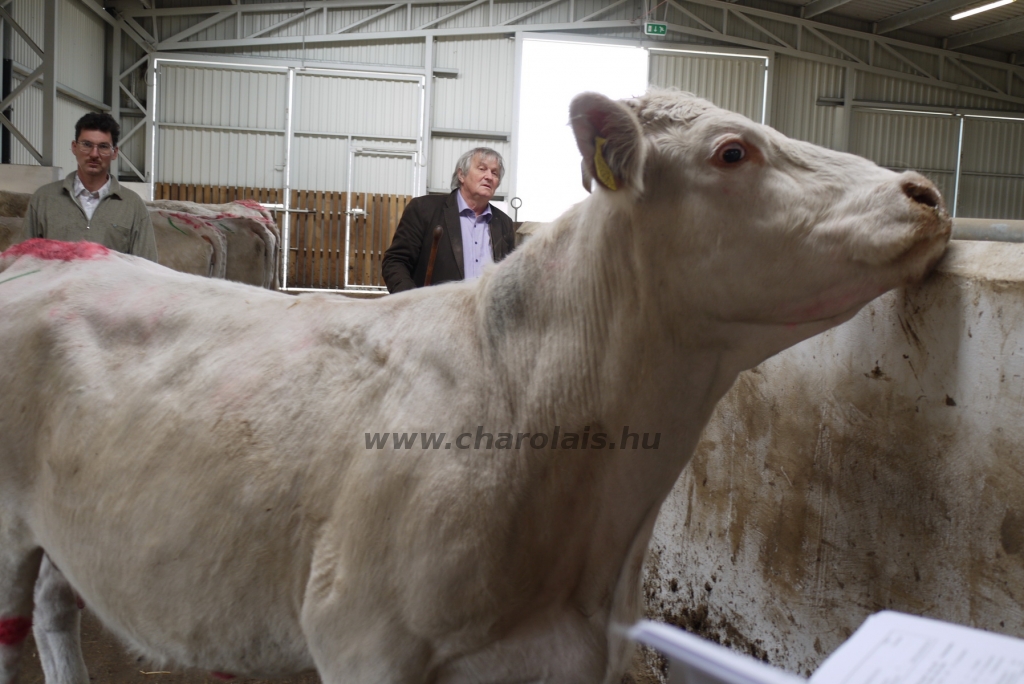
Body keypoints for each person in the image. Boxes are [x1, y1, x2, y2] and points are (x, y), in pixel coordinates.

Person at [25, 112, 158, 262]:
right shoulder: (44, 199)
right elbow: (22, 261)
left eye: (103, 146)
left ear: (114, 152)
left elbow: (147, 268)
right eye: (86, 145)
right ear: (74, 147)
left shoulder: (133, 206)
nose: (94, 154)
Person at [382, 147, 514, 293]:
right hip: (435, 312)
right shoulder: (424, 209)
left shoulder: (504, 224)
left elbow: (509, 278)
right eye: (482, 169)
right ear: (461, 175)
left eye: (494, 173)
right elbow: (395, 262)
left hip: (485, 314)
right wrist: (411, 303)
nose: (489, 176)